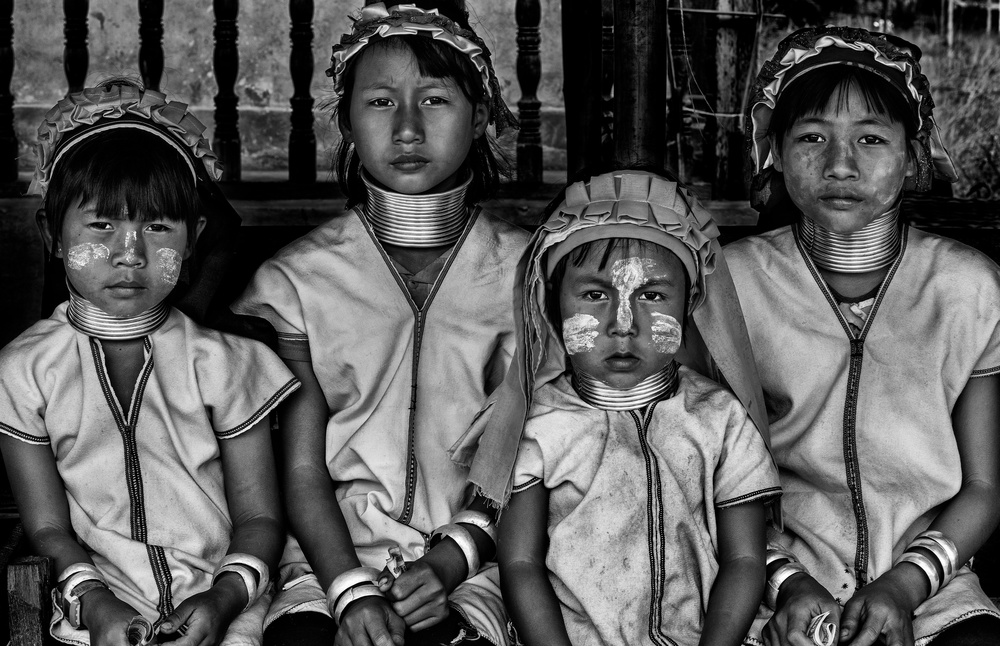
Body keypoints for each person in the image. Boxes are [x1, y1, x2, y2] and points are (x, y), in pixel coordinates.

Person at [231, 3, 526, 645]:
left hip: (476, 563)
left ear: (479, 118)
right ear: (346, 123)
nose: (410, 130)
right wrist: (351, 591)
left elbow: (530, 451)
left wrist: (454, 560)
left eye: (436, 101)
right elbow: (302, 471)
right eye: (383, 103)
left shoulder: (526, 275)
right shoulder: (297, 284)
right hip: (325, 564)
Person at [726, 26, 1000, 646]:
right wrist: (784, 580)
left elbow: (985, 486)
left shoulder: (968, 289)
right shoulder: (734, 285)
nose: (840, 164)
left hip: (932, 587)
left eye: (871, 139)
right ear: (773, 153)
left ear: (913, 157)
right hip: (772, 584)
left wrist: (905, 585)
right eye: (811, 137)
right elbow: (707, 470)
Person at [0, 79, 299, 646]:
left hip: (229, 609)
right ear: (53, 235)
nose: (131, 253)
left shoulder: (229, 364)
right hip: (93, 615)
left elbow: (259, 520)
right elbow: (46, 527)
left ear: (194, 240)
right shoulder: (22, 372)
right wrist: (95, 607)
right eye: (102, 225)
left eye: (159, 227)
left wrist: (223, 598)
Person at [482, 169, 781, 646]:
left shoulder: (719, 418)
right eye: (595, 295)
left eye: (653, 295)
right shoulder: (537, 425)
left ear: (689, 305)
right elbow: (520, 564)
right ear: (553, 305)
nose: (623, 325)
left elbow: (744, 560)